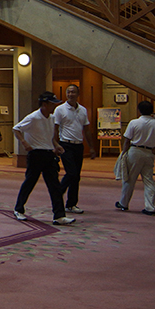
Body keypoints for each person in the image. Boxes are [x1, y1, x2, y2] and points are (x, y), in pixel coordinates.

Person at [13, 91, 74, 226]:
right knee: (30, 182)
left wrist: (56, 145)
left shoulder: (51, 118)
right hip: (36, 154)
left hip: (49, 154)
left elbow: (50, 137)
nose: (54, 106)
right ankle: (18, 209)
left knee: (55, 186)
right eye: (52, 104)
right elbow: (16, 129)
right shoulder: (33, 117)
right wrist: (24, 143)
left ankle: (59, 215)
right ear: (44, 104)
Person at [116, 101, 155, 215]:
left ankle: (124, 203)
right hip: (149, 152)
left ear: (139, 110)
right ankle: (150, 208)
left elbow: (127, 140)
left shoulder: (134, 122)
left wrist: (124, 153)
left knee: (129, 179)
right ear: (152, 111)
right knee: (149, 180)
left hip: (135, 151)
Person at [54, 84, 95, 214]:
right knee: (71, 173)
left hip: (78, 145)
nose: (70, 94)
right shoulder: (60, 109)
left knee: (76, 176)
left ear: (78, 94)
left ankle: (71, 204)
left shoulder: (82, 110)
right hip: (65, 145)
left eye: (73, 92)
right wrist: (55, 145)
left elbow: (86, 129)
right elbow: (55, 128)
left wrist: (91, 147)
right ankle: (57, 194)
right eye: (68, 92)